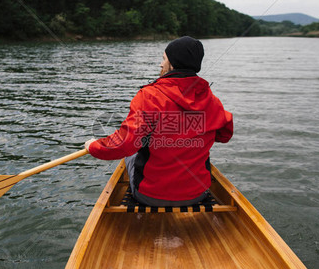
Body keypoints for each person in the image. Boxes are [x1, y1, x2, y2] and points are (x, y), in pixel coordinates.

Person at [85, 36, 233, 207]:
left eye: (164, 59)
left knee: (132, 151)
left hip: (150, 197)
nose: (161, 64)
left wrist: (93, 146)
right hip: (198, 194)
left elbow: (125, 144)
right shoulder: (212, 100)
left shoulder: (149, 96)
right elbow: (224, 135)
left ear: (173, 64)